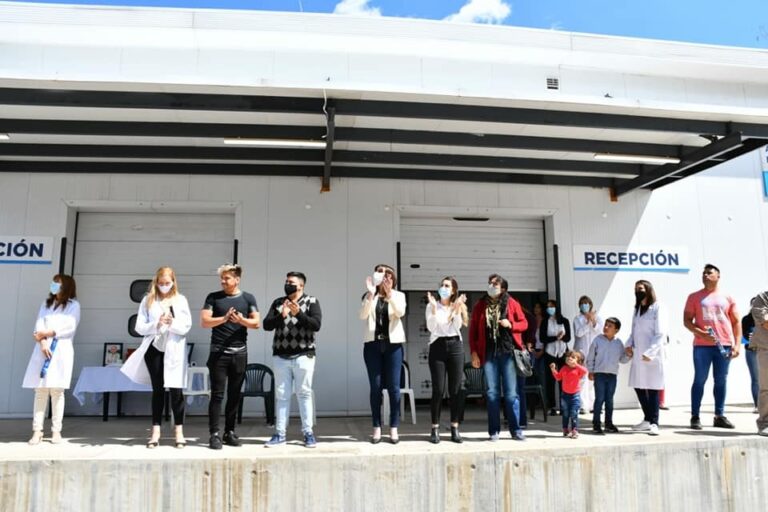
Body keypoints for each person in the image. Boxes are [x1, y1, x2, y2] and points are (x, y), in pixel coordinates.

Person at [121, 267, 192, 449]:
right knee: (158, 390)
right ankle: (155, 432)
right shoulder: (148, 300)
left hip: (174, 349)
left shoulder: (180, 300)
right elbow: (139, 327)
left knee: (176, 391)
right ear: (156, 282)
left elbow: (186, 326)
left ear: (173, 282)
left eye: (167, 283)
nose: (164, 287)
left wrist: (172, 323)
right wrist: (156, 323)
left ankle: (179, 432)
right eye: (161, 284)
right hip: (154, 348)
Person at [200, 264, 260, 450]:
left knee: (234, 395)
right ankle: (214, 434)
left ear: (237, 279)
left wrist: (241, 320)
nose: (223, 281)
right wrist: (224, 319)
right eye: (222, 278)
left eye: (227, 278)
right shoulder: (213, 297)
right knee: (217, 395)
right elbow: (204, 321)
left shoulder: (248, 298)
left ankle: (229, 432)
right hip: (219, 353)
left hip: (240, 354)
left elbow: (256, 323)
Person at [263, 271, 322, 448]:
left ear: (301, 286)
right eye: (286, 281)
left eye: (291, 282)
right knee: (281, 395)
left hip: (304, 355)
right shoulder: (278, 302)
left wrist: (298, 314)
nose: (287, 284)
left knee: (304, 393)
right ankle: (279, 434)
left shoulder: (312, 301)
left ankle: (308, 433)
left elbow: (316, 325)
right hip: (281, 356)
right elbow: (266, 325)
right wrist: (281, 315)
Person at [469, 274, 528, 441]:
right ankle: (494, 431)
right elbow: (473, 331)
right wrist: (474, 352)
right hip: (489, 355)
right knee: (492, 393)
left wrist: (511, 325)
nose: (491, 286)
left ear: (503, 289)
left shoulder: (512, 303)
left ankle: (515, 429)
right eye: (490, 283)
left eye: (495, 284)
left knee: (511, 393)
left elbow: (524, 323)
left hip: (508, 353)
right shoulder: (481, 305)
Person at [22, 274, 80, 445]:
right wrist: (42, 342)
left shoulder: (73, 305)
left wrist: (47, 333)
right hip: (43, 349)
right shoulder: (45, 304)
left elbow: (69, 326)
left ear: (66, 287)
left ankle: (56, 431)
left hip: (61, 349)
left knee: (57, 391)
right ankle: (37, 430)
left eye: (58, 284)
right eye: (53, 283)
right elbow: (38, 326)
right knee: (40, 391)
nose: (54, 286)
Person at [684, 264, 741, 430]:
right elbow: (687, 320)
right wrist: (700, 333)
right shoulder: (694, 297)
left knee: (721, 380)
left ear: (718, 276)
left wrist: (737, 344)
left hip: (724, 345)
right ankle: (695, 416)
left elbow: (736, 322)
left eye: (709, 273)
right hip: (702, 346)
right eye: (703, 273)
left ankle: (719, 415)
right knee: (700, 379)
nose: (705, 275)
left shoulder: (727, 297)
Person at [360, 264, 407, 444]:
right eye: (380, 273)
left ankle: (393, 427)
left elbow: (400, 312)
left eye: (388, 274)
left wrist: (389, 296)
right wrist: (371, 294)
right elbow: (363, 315)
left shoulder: (399, 295)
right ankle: (376, 427)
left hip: (393, 345)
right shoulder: (369, 295)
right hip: (372, 345)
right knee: (375, 387)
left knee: (394, 388)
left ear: (393, 279)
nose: (384, 277)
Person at [425, 276, 468, 444]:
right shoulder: (431, 305)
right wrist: (435, 310)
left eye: (447, 286)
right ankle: (434, 428)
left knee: (455, 389)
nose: (443, 287)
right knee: (438, 389)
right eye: (442, 285)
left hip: (455, 346)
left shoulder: (458, 306)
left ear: (453, 290)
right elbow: (432, 327)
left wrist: (456, 309)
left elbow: (456, 326)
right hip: (437, 346)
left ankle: (454, 427)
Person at [627, 280, 667, 436]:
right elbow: (633, 331)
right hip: (638, 354)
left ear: (649, 290)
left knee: (653, 387)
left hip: (653, 356)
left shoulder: (658, 307)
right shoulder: (637, 309)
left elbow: (660, 333)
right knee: (638, 385)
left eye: (641, 289)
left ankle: (654, 422)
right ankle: (647, 418)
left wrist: (650, 352)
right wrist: (628, 344)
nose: (638, 291)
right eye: (636, 289)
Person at [586, 317, 629, 434]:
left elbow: (622, 359)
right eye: (605, 325)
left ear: (616, 330)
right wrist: (591, 370)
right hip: (599, 374)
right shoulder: (597, 340)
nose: (606, 327)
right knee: (599, 399)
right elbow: (590, 357)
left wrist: (629, 355)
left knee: (609, 400)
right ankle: (596, 424)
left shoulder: (618, 343)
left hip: (612, 375)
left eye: (610, 326)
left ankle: (609, 424)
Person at [539, 299, 571, 416]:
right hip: (550, 352)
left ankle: (564, 405)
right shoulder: (545, 322)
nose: (550, 309)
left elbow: (568, 338)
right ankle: (552, 406)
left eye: (552, 306)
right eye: (548, 307)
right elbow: (543, 338)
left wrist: (562, 337)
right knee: (550, 380)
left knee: (563, 379)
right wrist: (555, 338)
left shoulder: (564, 321)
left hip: (562, 352)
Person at [573, 295, 603, 414]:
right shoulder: (577, 319)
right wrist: (587, 322)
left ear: (590, 304)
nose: (584, 305)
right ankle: (582, 404)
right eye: (582, 303)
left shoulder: (597, 317)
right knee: (581, 379)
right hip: (581, 352)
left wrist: (593, 320)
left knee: (592, 378)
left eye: (587, 303)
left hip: (594, 351)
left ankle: (593, 405)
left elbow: (600, 331)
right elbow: (578, 333)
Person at [550, 350, 588, 438]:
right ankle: (565, 429)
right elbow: (558, 378)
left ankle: (574, 430)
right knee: (566, 413)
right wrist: (553, 370)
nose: (570, 359)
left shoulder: (578, 369)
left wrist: (576, 365)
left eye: (573, 357)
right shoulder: (564, 368)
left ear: (578, 361)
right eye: (568, 357)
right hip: (565, 395)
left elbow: (585, 371)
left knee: (574, 413)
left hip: (575, 395)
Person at [748, 291, 768, 436]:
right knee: (766, 388)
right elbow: (765, 321)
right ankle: (764, 423)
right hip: (766, 348)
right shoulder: (762, 298)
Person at [741, 312, 759, 413]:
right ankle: (757, 405)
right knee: (756, 379)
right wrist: (750, 338)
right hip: (751, 351)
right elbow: (743, 337)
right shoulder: (746, 319)